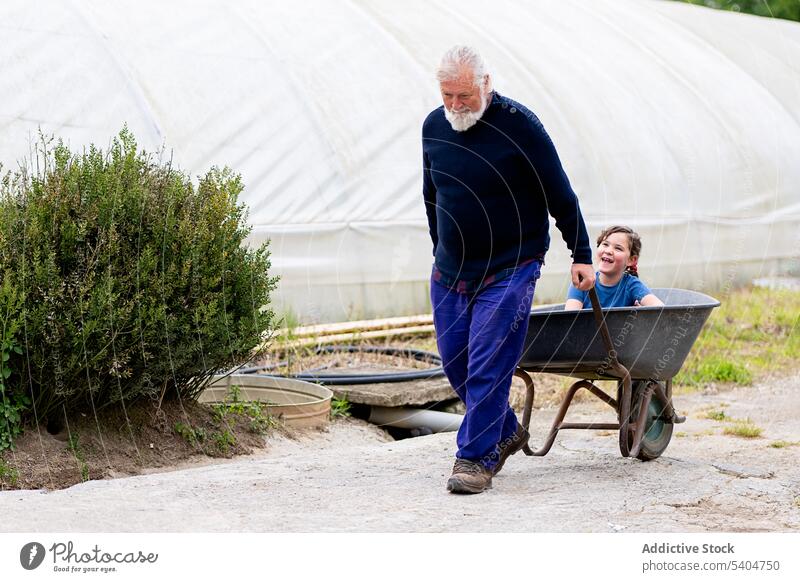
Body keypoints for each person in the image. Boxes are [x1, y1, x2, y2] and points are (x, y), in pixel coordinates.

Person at [422, 45, 595, 494]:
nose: (455, 107)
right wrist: (442, 251)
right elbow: (432, 194)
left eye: (464, 96)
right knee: (456, 362)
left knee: (487, 363)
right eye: (447, 96)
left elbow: (561, 194)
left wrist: (581, 253)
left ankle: (475, 459)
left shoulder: (521, 126)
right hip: (452, 270)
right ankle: (508, 429)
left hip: (511, 266)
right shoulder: (433, 127)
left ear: (485, 83)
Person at [564, 225, 664, 310]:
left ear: (631, 260)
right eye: (605, 244)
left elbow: (660, 310)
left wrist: (643, 313)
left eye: (618, 248)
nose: (608, 251)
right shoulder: (583, 282)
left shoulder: (631, 285)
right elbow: (570, 320)